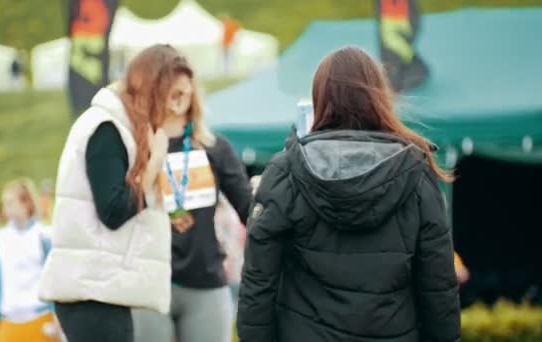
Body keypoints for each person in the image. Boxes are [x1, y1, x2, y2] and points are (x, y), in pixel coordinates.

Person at [237, 47, 461, 342]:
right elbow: (438, 287)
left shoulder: (285, 171)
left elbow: (258, 284)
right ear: (379, 97)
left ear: (320, 99)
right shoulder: (416, 170)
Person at [38, 45, 178, 342]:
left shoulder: (117, 127)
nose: (173, 107)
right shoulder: (106, 128)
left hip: (99, 287)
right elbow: (113, 211)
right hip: (91, 290)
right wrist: (153, 166)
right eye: (171, 95)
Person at [131, 46, 252, 342]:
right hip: (148, 284)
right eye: (170, 85)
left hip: (205, 283)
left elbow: (250, 209)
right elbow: (118, 210)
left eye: (185, 87)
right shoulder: (134, 148)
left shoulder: (214, 147)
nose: (178, 95)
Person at [0, 178, 59, 342]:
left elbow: (52, 280)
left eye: (11, 202)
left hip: (40, 317)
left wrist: (56, 315)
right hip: (9, 320)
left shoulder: (43, 235)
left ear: (26, 203)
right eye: (5, 203)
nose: (6, 208)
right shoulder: (0, 239)